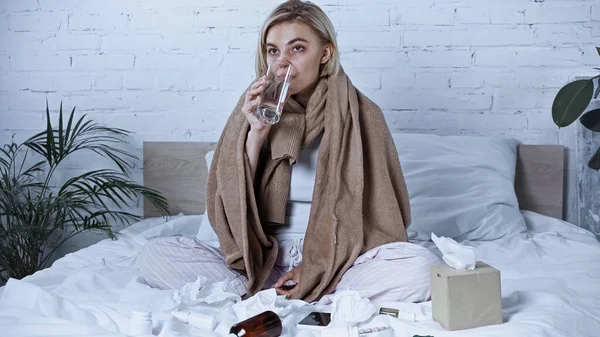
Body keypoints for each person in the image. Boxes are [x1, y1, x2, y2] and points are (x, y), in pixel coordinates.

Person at [139, 0, 440, 304]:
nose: (282, 62)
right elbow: (229, 202)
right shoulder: (252, 108)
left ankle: (301, 291)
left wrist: (316, 266)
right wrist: (256, 133)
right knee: (156, 255)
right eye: (273, 51)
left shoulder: (363, 114)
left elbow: (383, 217)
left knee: (421, 267)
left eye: (297, 49)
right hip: (259, 259)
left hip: (338, 258)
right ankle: (275, 295)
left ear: (325, 53)